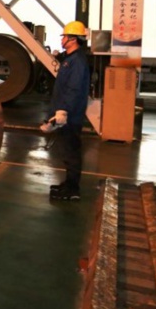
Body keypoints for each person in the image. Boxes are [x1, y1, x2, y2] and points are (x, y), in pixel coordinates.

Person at [42, 20, 91, 200]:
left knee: (71, 152)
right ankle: (69, 184)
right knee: (66, 151)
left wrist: (63, 111)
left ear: (72, 39)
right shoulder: (69, 59)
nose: (62, 39)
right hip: (64, 113)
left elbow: (73, 88)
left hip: (70, 116)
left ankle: (72, 190)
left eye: (64, 36)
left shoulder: (77, 61)